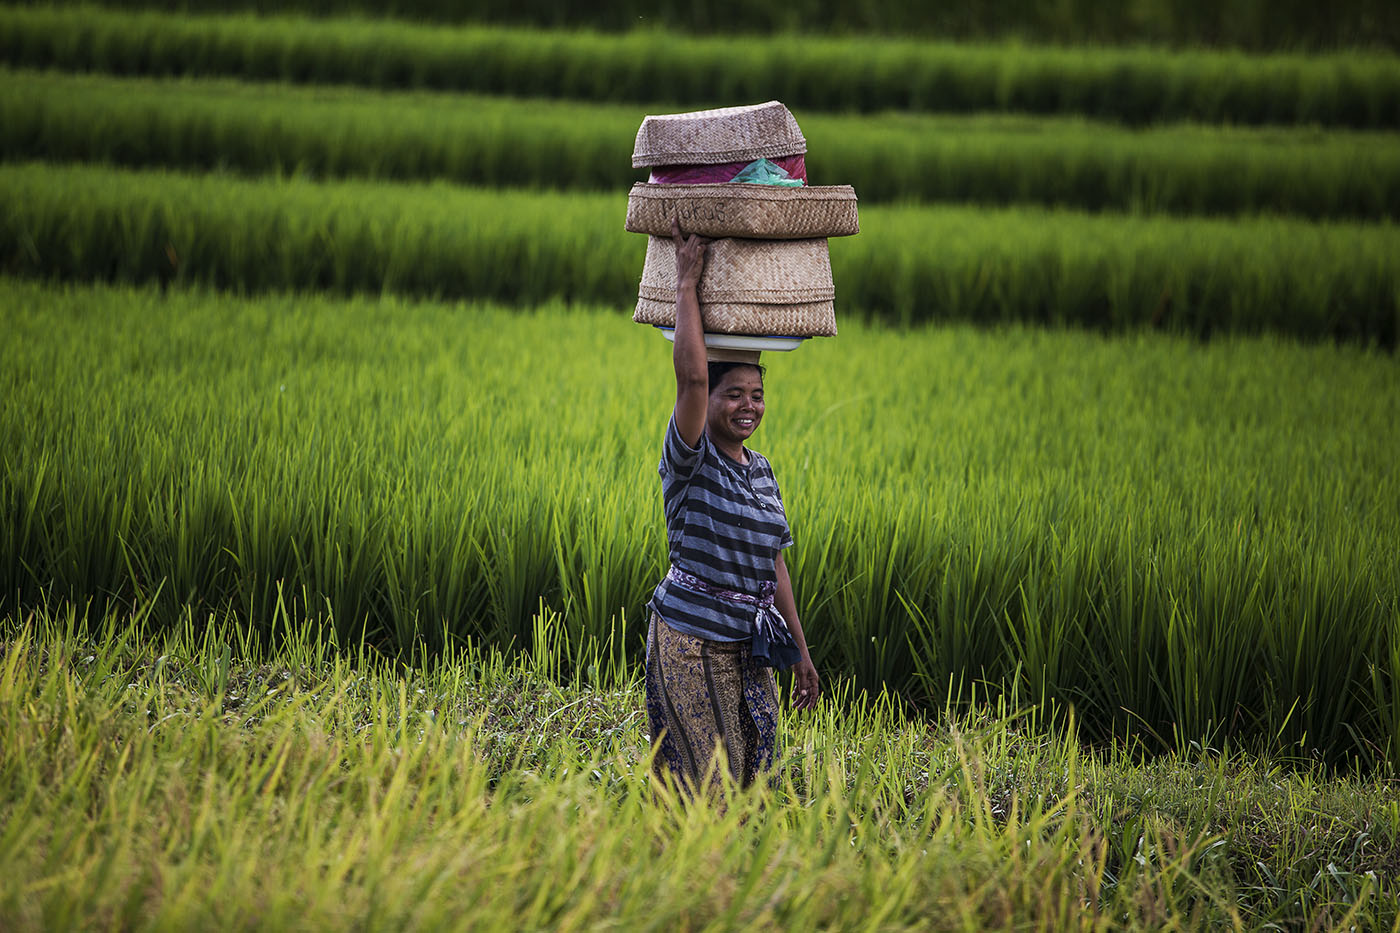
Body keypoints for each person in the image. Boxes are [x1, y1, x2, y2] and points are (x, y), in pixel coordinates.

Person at [645, 217, 821, 793]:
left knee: (755, 786)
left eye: (758, 395)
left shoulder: (763, 471)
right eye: (734, 395)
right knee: (706, 790)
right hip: (690, 644)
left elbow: (774, 565)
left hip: (749, 646)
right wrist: (685, 284)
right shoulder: (691, 457)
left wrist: (798, 648)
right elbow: (692, 380)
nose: (748, 407)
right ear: (712, 399)